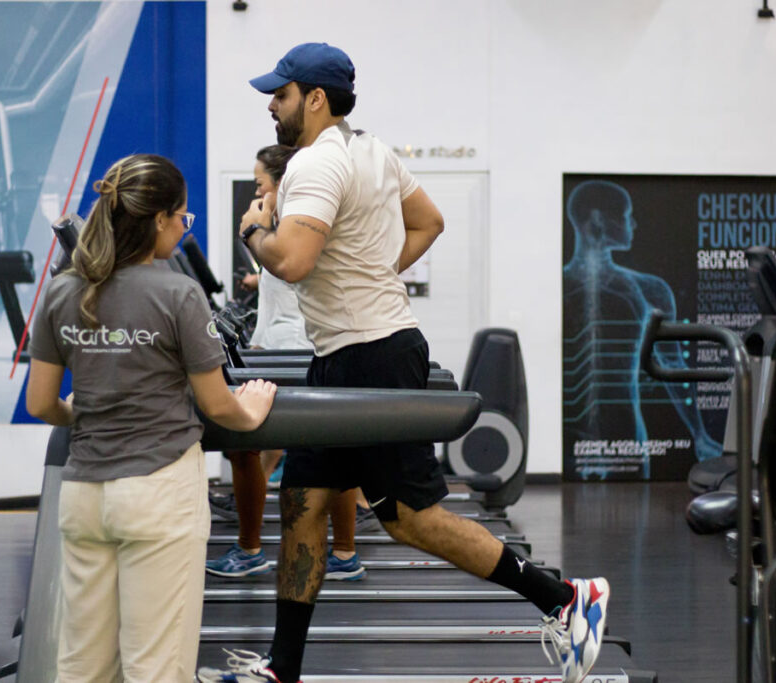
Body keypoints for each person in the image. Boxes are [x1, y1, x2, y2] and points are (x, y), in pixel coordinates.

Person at [197, 43, 610, 683]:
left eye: (279, 95)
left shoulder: (314, 165)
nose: (271, 107)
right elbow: (430, 221)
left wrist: (254, 228)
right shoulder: (373, 149)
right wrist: (371, 275)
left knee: (409, 519)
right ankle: (283, 668)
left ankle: (563, 598)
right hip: (350, 351)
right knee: (302, 501)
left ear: (313, 98)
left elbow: (294, 262)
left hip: (373, 355)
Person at [25, 153, 277, 683]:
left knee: (81, 665)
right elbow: (216, 404)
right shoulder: (178, 293)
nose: (184, 227)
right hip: (159, 493)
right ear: (159, 219)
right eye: (182, 217)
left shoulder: (61, 290)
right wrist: (250, 410)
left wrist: (87, 414)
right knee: (156, 668)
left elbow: (42, 404)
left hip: (85, 497)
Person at [207, 144, 367, 582]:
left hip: (292, 348)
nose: (257, 193)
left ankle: (250, 549)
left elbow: (294, 269)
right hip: (288, 344)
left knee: (244, 447)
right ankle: (344, 554)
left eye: (261, 184)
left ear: (282, 184)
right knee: (329, 447)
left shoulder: (288, 224)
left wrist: (253, 231)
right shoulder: (299, 223)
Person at [563, 180, 722, 479]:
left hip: (627, 432)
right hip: (576, 436)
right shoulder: (561, 287)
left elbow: (672, 366)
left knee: (634, 518)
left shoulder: (650, 289)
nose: (633, 224)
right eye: (626, 215)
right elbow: (673, 367)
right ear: (597, 219)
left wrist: (698, 434)